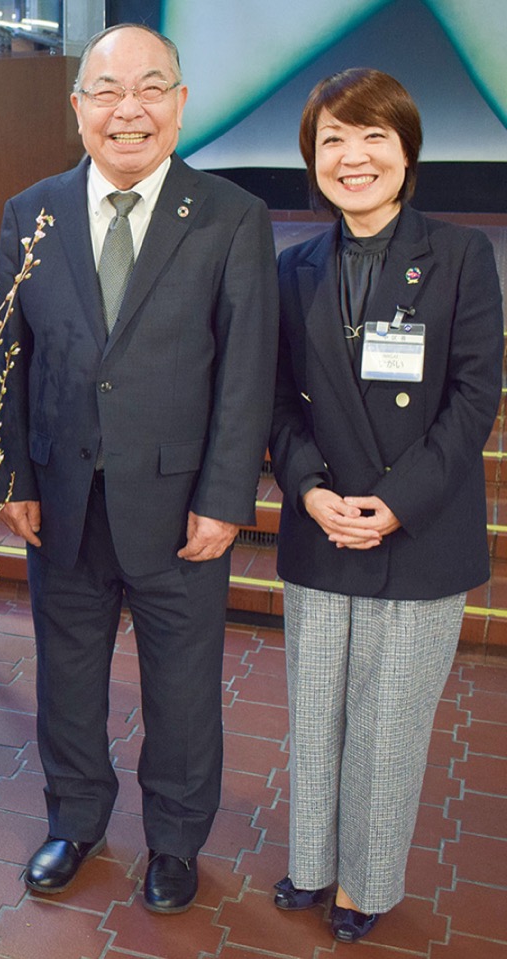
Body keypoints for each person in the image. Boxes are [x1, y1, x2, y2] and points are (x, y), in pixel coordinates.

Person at [0, 24, 277, 913]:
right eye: (107, 91)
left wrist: (227, 497)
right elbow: (9, 359)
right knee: (67, 678)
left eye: (151, 88)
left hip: (182, 506)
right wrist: (13, 480)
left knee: (183, 689)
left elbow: (246, 372)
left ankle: (176, 841)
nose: (129, 110)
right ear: (78, 108)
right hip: (62, 499)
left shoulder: (231, 217)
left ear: (181, 106)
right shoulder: (30, 211)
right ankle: (75, 820)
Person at [268, 68, 502, 943]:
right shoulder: (293, 268)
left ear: (406, 153)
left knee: (389, 720)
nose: (352, 156)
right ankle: (314, 863)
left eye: (373, 137)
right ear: (312, 159)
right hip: (322, 521)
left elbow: (475, 397)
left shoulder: (461, 255)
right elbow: (277, 404)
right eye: (332, 139)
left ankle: (367, 883)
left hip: (421, 526)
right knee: (318, 706)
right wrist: (312, 490)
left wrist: (394, 502)